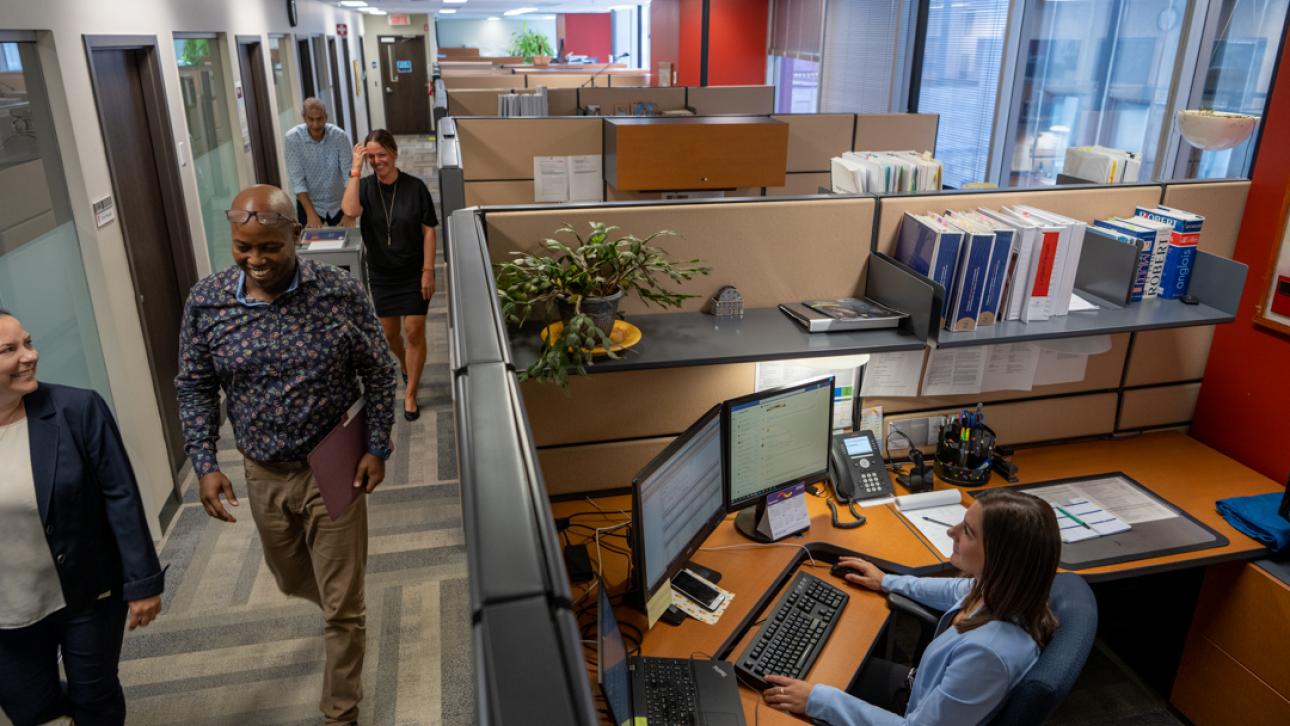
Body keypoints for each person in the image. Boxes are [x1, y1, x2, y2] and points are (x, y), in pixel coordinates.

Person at [175, 185, 396, 726]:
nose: (256, 260)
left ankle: (340, 711)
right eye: (243, 248)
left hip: (334, 462)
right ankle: (338, 603)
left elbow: (380, 370)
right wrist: (205, 463)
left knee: (343, 605)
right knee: (289, 574)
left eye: (269, 247)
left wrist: (377, 445)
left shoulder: (338, 293)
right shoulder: (208, 302)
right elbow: (194, 387)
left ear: (295, 236)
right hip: (263, 470)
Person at [762, 489, 1061, 725]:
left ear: (999, 557)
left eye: (968, 531)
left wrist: (818, 700)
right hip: (920, 692)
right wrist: (886, 581)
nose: (951, 532)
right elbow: (955, 589)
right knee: (817, 667)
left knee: (772, 703)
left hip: (911, 715)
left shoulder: (988, 657)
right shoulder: (1007, 592)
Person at [0, 309, 164, 726]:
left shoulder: (77, 409)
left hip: (85, 590)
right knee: (28, 707)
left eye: (28, 342)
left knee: (96, 697)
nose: (30, 356)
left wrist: (141, 582)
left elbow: (120, 497)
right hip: (9, 604)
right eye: (9, 350)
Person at [340, 129, 437, 421]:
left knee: (414, 330)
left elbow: (429, 230)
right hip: (382, 273)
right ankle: (405, 367)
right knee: (389, 334)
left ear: (394, 153)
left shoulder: (415, 187)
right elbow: (349, 211)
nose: (377, 161)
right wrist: (355, 171)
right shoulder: (366, 187)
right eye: (371, 156)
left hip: (413, 270)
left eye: (381, 154)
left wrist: (428, 270)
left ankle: (410, 395)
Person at [284, 98, 354, 228]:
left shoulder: (340, 137)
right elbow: (297, 181)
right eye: (311, 119)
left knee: (345, 241)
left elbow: (348, 175)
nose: (316, 125)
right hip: (309, 203)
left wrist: (348, 213)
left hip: (339, 202)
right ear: (304, 117)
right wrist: (311, 214)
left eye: (320, 119)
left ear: (326, 117)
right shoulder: (292, 139)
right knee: (309, 245)